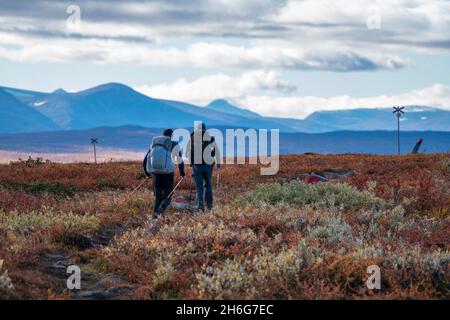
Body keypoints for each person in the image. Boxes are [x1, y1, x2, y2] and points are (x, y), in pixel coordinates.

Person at [145, 128, 185, 217]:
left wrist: (147, 173)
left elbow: (146, 159)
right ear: (171, 136)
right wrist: (182, 172)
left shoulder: (154, 144)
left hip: (155, 174)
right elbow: (179, 160)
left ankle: (155, 217)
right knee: (168, 195)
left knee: (158, 197)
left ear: (162, 134)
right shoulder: (173, 144)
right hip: (168, 174)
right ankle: (162, 206)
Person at [185, 123, 221, 211]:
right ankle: (209, 205)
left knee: (199, 186)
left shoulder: (192, 138)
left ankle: (200, 205)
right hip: (208, 165)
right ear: (205, 129)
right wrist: (218, 163)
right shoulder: (210, 138)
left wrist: (192, 161)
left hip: (197, 166)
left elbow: (186, 153)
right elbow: (217, 151)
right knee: (208, 185)